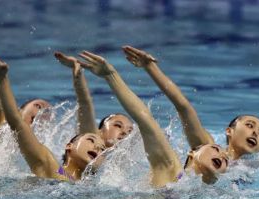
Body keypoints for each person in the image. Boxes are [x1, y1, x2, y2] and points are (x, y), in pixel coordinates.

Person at [78, 50, 229, 187]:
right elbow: (145, 119)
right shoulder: (171, 169)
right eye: (215, 148)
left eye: (226, 161)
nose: (222, 156)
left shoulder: (220, 193)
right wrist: (111, 76)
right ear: (192, 153)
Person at [0, 48, 105, 181]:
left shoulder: (93, 185)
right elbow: (18, 124)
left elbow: (85, 108)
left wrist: (79, 78)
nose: (98, 147)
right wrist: (2, 80)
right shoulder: (52, 168)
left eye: (103, 150)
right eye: (91, 140)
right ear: (69, 146)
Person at [122, 45, 259, 160]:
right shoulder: (209, 150)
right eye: (249, 125)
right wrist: (150, 67)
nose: (255, 132)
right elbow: (183, 107)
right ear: (229, 131)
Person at [54, 52, 133, 148]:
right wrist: (77, 73)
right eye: (117, 125)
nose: (125, 132)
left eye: (130, 131)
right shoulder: (90, 148)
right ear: (99, 132)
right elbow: (84, 103)